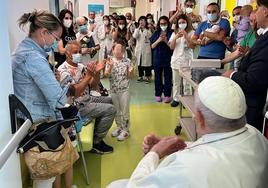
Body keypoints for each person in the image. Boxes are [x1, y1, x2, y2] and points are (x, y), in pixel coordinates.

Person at [107, 76, 268, 188]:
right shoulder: (257, 136)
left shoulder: (188, 168)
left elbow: (137, 185)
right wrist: (184, 146)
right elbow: (222, 148)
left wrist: (154, 153)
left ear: (199, 117)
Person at [12, 10, 96, 188]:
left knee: (49, 173)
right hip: (39, 121)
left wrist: (53, 79)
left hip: (32, 117)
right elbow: (58, 99)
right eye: (55, 38)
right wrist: (66, 83)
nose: (56, 44)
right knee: (46, 175)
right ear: (44, 32)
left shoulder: (23, 50)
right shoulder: (33, 58)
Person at [58, 40, 116, 154]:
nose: (79, 54)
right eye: (75, 52)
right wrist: (89, 75)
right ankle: (96, 142)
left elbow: (92, 85)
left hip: (87, 99)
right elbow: (75, 93)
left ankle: (96, 130)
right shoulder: (63, 71)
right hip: (77, 106)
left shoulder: (80, 66)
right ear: (67, 54)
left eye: (80, 51)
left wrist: (97, 73)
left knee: (110, 100)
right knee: (111, 109)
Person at [223, 0, 268, 132]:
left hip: (255, 106)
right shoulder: (261, 36)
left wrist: (231, 74)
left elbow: (254, 80)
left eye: (257, 8)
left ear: (265, 11)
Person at [105, 42, 134, 141]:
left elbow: (130, 76)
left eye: (120, 50)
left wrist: (130, 72)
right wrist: (110, 67)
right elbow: (106, 75)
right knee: (116, 111)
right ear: (113, 50)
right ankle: (119, 127)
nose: (118, 52)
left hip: (124, 90)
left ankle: (126, 130)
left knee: (125, 111)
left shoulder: (127, 61)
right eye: (116, 49)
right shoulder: (110, 61)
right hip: (113, 90)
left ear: (123, 51)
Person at [168, 14, 195, 107]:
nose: (181, 24)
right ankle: (176, 98)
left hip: (187, 61)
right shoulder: (175, 32)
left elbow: (192, 46)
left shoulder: (192, 32)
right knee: (176, 82)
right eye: (179, 23)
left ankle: (187, 100)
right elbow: (171, 47)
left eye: (183, 22)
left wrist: (186, 36)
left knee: (187, 82)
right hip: (176, 60)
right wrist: (176, 37)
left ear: (187, 22)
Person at [150, 16, 173, 103]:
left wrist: (166, 41)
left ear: (168, 24)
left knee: (168, 77)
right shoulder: (156, 33)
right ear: (159, 24)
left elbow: (172, 47)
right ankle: (158, 94)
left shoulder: (171, 33)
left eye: (165, 23)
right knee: (157, 77)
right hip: (157, 59)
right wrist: (159, 40)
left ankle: (167, 95)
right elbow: (152, 46)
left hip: (168, 58)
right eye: (161, 24)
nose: (163, 25)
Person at [133, 16, 152, 83]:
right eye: (140, 21)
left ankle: (148, 76)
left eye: (143, 21)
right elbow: (135, 36)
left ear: (146, 22)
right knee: (139, 63)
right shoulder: (137, 29)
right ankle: (140, 76)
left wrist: (144, 29)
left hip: (146, 49)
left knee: (147, 64)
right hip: (138, 49)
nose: (141, 22)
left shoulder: (148, 29)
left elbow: (149, 36)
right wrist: (138, 29)